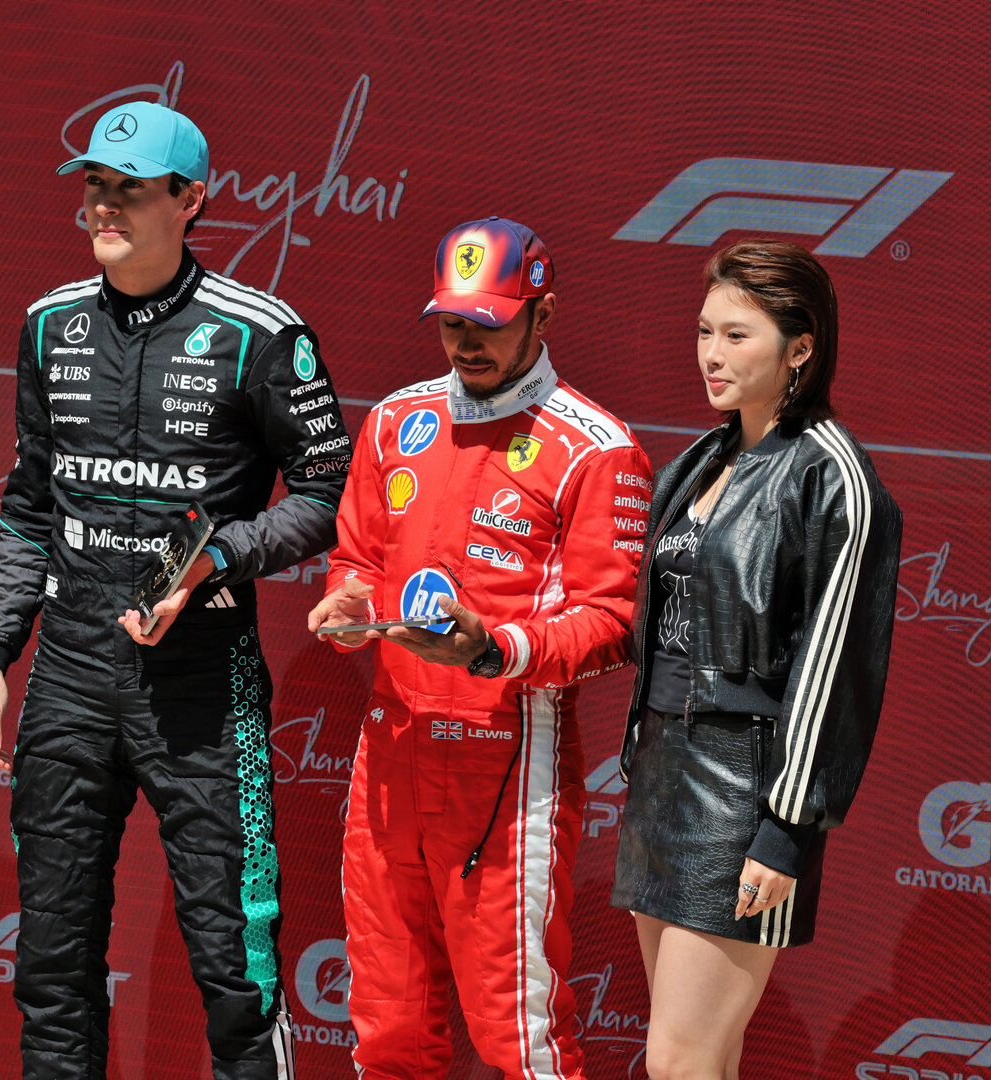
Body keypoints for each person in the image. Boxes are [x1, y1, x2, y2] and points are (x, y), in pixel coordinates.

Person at [0, 101, 350, 1079]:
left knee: (239, 971)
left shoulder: (259, 333)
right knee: (50, 967)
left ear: (189, 200)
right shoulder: (49, 325)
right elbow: (27, 507)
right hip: (72, 679)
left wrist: (222, 556)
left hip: (204, 687)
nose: (104, 205)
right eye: (95, 185)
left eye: (129, 189)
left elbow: (327, 496)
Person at [308, 217, 652, 1078]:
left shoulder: (597, 449)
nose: (468, 341)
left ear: (544, 314)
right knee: (388, 1030)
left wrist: (492, 649)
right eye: (453, 321)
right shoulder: (395, 421)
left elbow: (611, 626)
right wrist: (345, 599)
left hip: (506, 763)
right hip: (389, 750)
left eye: (491, 322)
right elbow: (354, 557)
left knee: (518, 1037)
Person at [610, 239, 902, 1080]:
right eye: (704, 331)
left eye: (737, 335)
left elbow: (834, 669)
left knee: (680, 1061)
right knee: (703, 1059)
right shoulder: (699, 461)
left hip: (747, 788)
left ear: (800, 347)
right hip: (663, 774)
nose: (710, 353)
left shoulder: (835, 476)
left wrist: (787, 828)